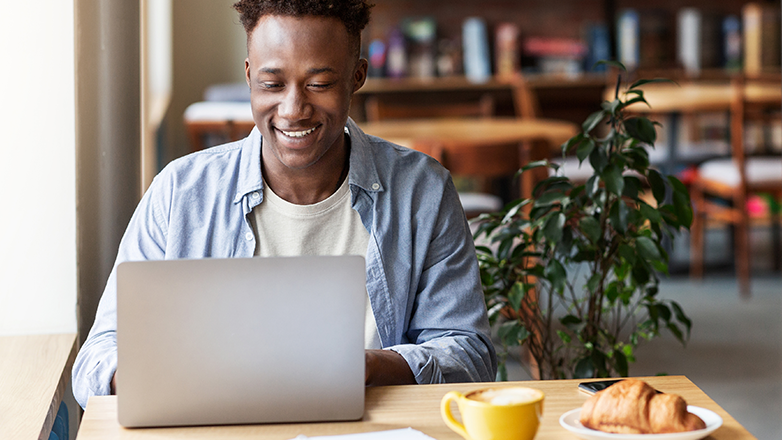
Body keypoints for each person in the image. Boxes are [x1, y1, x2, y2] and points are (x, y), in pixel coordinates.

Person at [72, 0, 496, 409]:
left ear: (357, 76)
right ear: (249, 76)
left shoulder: (423, 191)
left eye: (320, 84)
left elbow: (470, 356)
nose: (293, 109)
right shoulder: (180, 194)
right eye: (272, 84)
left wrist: (366, 368)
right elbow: (96, 359)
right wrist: (157, 376)